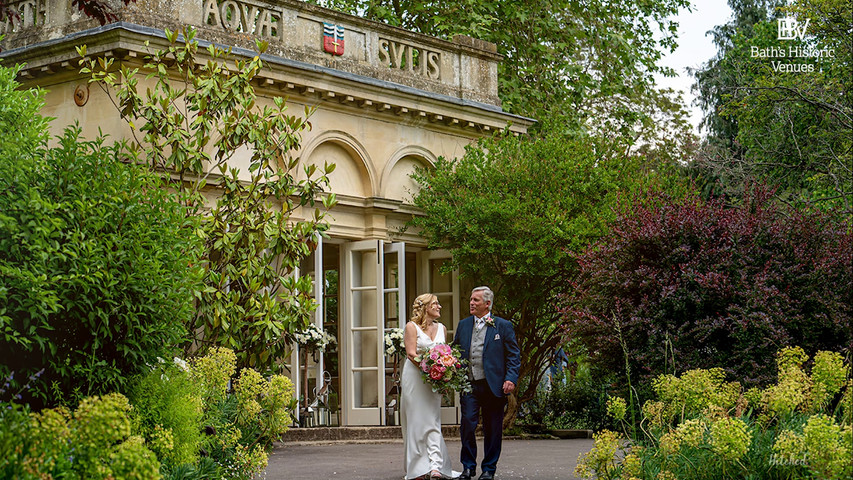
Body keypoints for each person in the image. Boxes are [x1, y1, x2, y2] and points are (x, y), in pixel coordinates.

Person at [453, 286, 520, 480]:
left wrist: (510, 378)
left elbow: (514, 355)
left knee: (493, 428)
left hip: (494, 385)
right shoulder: (464, 325)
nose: (471, 303)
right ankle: (468, 467)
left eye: (476, 300)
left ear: (487, 304)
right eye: (471, 300)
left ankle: (489, 469)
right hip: (469, 384)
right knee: (467, 424)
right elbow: (456, 350)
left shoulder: (502, 325)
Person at [400, 293, 457, 479]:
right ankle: (417, 468)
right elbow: (411, 354)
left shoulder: (442, 328)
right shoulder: (411, 327)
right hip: (415, 378)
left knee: (433, 420)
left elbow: (445, 355)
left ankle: (435, 466)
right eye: (435, 304)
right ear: (425, 307)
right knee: (417, 421)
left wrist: (443, 373)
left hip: (434, 380)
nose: (439, 307)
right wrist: (431, 369)